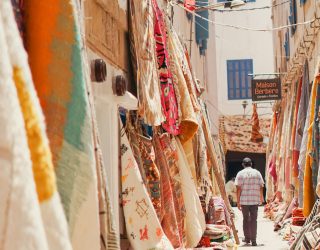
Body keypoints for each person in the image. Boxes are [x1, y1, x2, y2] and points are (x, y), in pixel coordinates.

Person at [235, 157, 264, 246]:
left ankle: (247, 239)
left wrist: (238, 201)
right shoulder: (257, 173)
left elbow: (238, 188)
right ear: (251, 164)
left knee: (245, 220)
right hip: (254, 200)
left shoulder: (240, 173)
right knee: (253, 220)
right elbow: (261, 186)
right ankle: (254, 241)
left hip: (244, 201)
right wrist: (261, 197)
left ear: (243, 164)